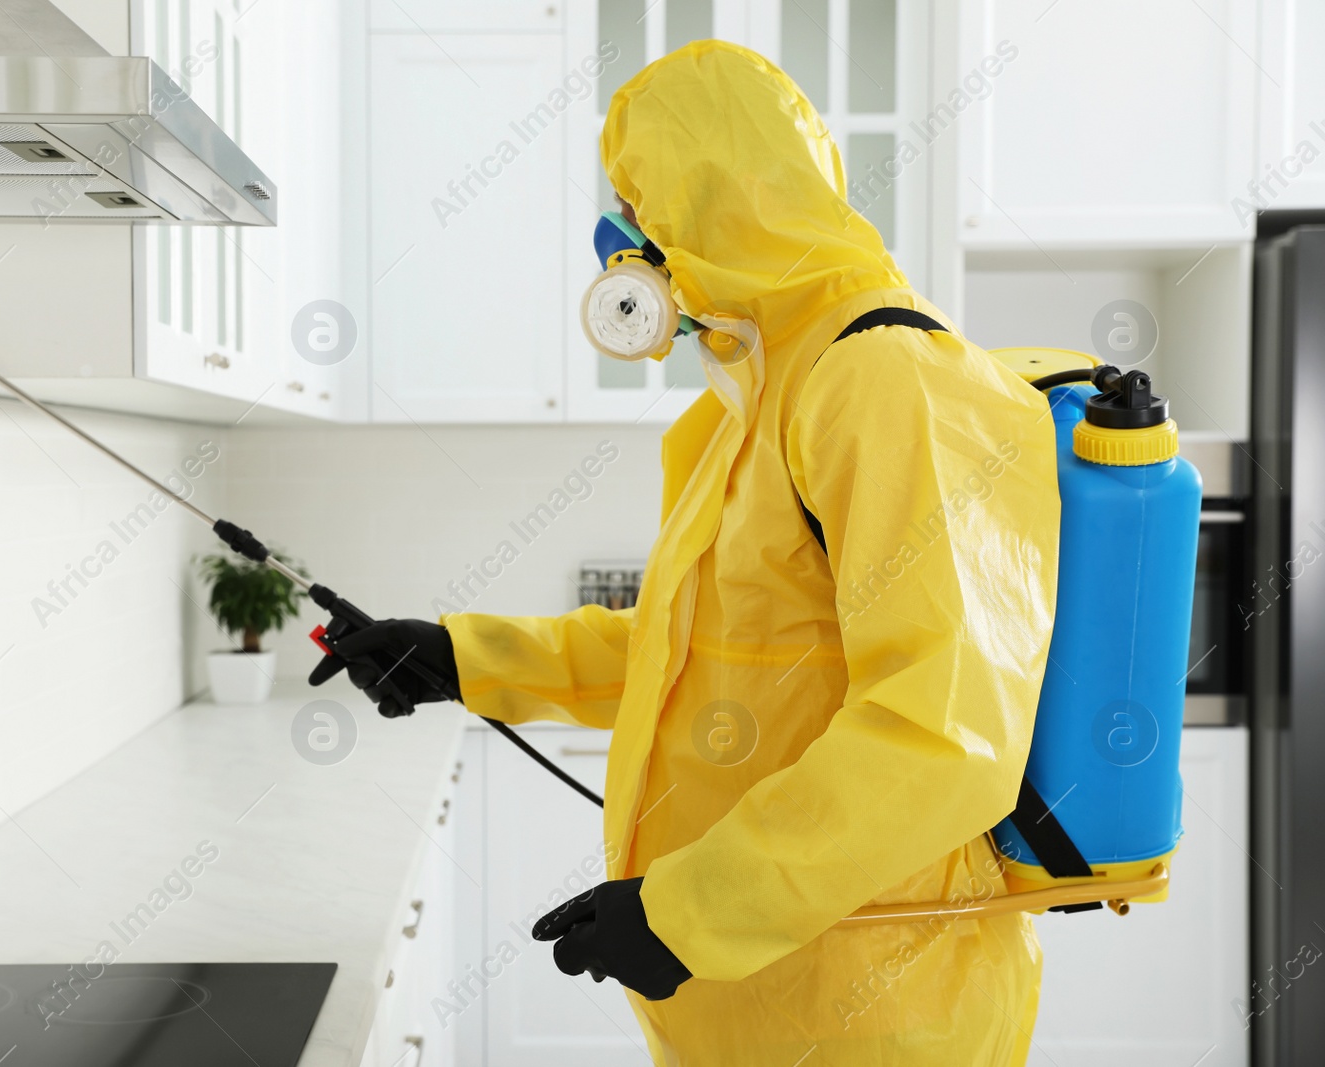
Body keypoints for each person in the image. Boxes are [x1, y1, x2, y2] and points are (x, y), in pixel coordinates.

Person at [310, 39, 1061, 1067]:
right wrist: (461, 656)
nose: (623, 242)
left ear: (706, 201)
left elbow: (941, 733)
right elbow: (695, 649)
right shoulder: (749, 400)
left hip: (875, 1013)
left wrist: (689, 911)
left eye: (638, 201)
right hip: (758, 1001)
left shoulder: (882, 379)